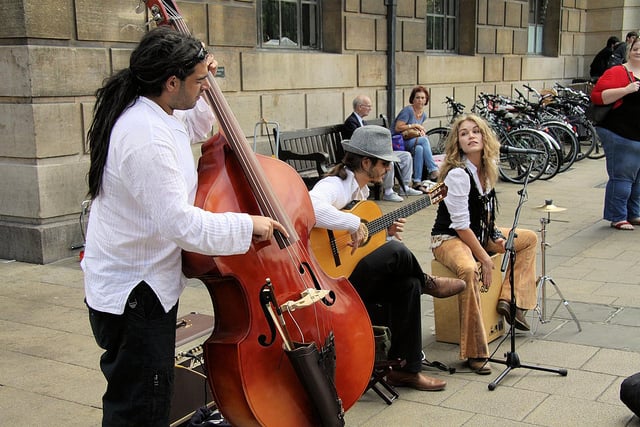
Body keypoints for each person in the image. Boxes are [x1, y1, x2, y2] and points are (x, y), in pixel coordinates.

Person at [82, 27, 286, 426]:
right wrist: (248, 225)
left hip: (141, 286)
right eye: (198, 82)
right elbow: (180, 224)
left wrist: (211, 81)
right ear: (171, 82)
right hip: (135, 295)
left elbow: (191, 127)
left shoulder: (159, 112)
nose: (203, 88)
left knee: (147, 396)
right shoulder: (145, 135)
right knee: (141, 406)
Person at [309, 125, 465, 391]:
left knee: (408, 285)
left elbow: (360, 246)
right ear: (366, 162)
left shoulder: (363, 194)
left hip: (352, 274)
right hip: (329, 280)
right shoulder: (335, 184)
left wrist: (383, 230)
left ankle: (405, 369)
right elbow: (310, 207)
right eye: (384, 163)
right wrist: (352, 222)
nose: (388, 169)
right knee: (398, 252)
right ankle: (428, 281)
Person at [430, 114, 538, 375]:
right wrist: (485, 258)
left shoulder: (487, 168)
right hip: (448, 238)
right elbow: (459, 225)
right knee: (469, 270)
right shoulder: (458, 174)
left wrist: (493, 237)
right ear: (458, 142)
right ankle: (475, 351)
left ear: (485, 137)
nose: (471, 136)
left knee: (528, 239)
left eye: (476, 131)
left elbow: (484, 213)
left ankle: (511, 302)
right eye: (464, 133)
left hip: (477, 232)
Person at [591, 36, 640, 231]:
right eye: (636, 48)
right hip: (620, 133)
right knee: (622, 177)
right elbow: (597, 97)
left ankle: (634, 213)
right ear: (629, 50)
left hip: (637, 135)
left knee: (637, 180)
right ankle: (618, 216)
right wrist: (626, 90)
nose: (639, 52)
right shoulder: (617, 72)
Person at [343, 95, 422, 202]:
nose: (370, 109)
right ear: (360, 107)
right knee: (388, 161)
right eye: (368, 106)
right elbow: (358, 144)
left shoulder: (362, 121)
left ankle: (406, 186)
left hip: (376, 151)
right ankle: (388, 191)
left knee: (406, 155)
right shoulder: (351, 122)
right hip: (365, 155)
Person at [393, 85, 440, 191]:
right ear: (413, 99)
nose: (420, 100)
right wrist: (414, 125)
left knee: (420, 148)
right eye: (417, 98)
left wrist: (421, 131)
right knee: (423, 141)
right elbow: (398, 127)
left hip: (411, 141)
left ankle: (417, 181)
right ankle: (433, 169)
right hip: (399, 142)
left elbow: (415, 132)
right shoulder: (408, 110)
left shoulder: (423, 115)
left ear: (426, 100)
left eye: (423, 98)